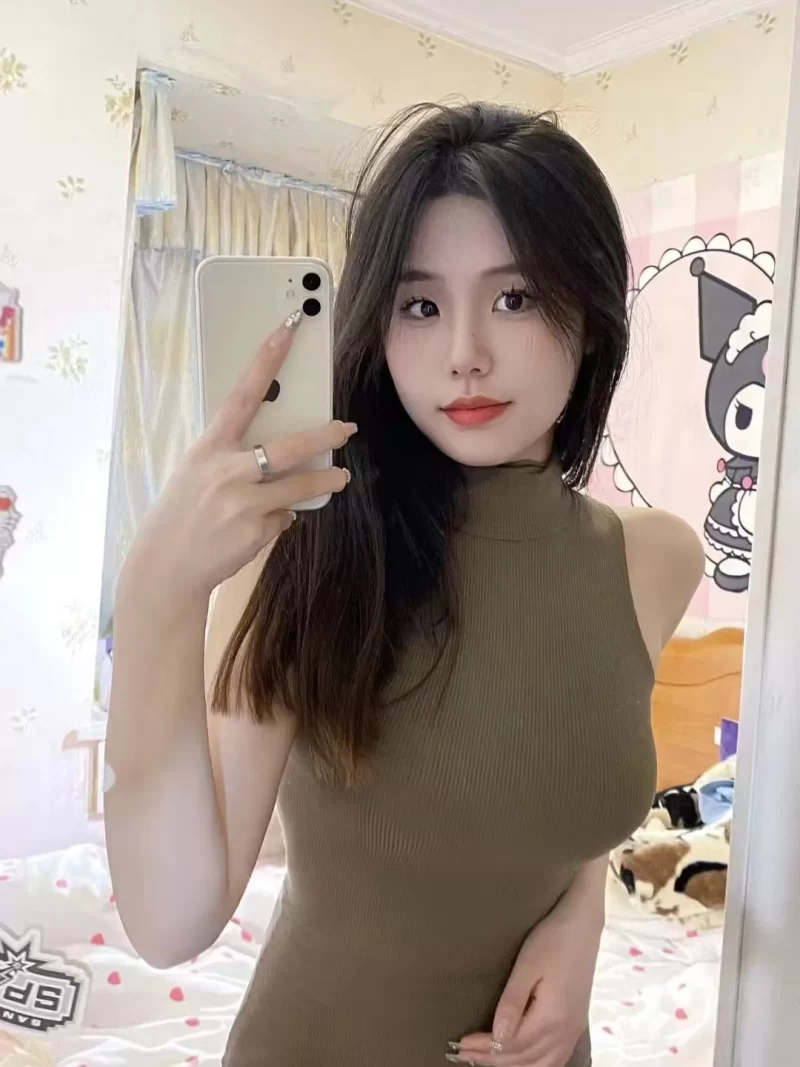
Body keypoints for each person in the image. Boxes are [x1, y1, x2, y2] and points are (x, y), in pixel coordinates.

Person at [105, 102, 704, 1067]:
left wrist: (581, 909)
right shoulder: (305, 547)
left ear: (593, 318)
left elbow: (564, 770)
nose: (464, 351)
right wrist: (155, 594)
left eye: (515, 298)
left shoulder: (655, 560)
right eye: (420, 305)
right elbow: (174, 918)